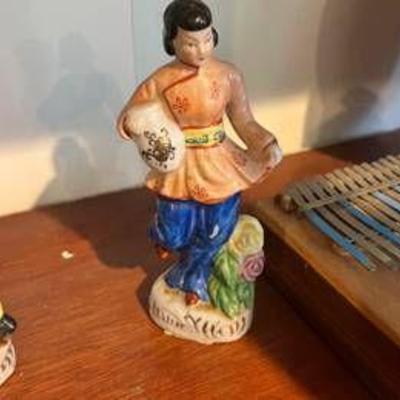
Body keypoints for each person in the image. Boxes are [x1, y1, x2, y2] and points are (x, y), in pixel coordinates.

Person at [117, 0, 282, 305]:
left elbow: (244, 120)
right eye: (191, 43)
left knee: (216, 232)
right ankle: (161, 236)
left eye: (206, 39)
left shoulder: (228, 75)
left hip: (218, 161)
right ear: (172, 41)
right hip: (178, 164)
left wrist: (265, 144)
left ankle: (194, 278)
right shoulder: (160, 81)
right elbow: (131, 116)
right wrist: (136, 124)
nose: (202, 50)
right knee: (174, 233)